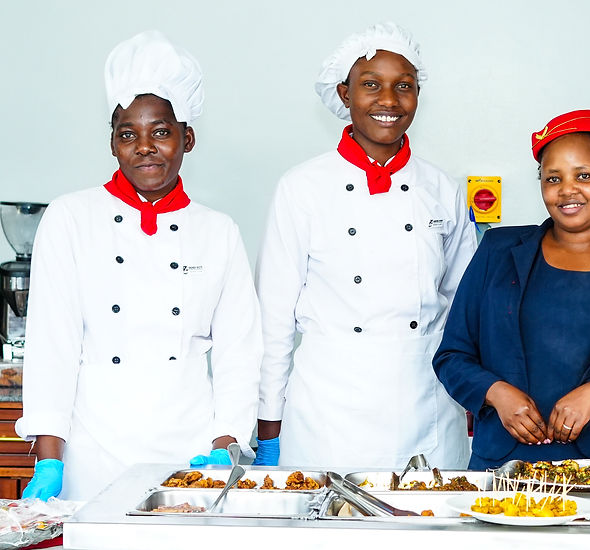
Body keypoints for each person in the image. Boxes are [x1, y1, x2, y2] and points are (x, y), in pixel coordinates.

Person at [15, 31, 262, 500]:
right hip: (91, 452)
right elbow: (52, 345)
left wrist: (226, 441)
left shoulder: (218, 231)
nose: (144, 146)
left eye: (161, 132)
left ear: (187, 138)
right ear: (112, 144)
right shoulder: (70, 218)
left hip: (190, 454)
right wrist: (49, 459)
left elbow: (239, 351)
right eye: (128, 134)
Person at [254, 23, 477, 469]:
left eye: (404, 87)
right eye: (371, 85)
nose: (389, 101)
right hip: (329, 415)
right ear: (344, 93)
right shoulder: (302, 188)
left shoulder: (442, 188)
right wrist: (267, 427)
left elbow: (465, 309)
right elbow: (274, 320)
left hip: (427, 407)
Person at [433, 110, 590, 469]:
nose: (567, 190)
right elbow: (452, 356)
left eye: (584, 175)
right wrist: (497, 394)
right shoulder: (497, 251)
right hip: (502, 467)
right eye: (553, 178)